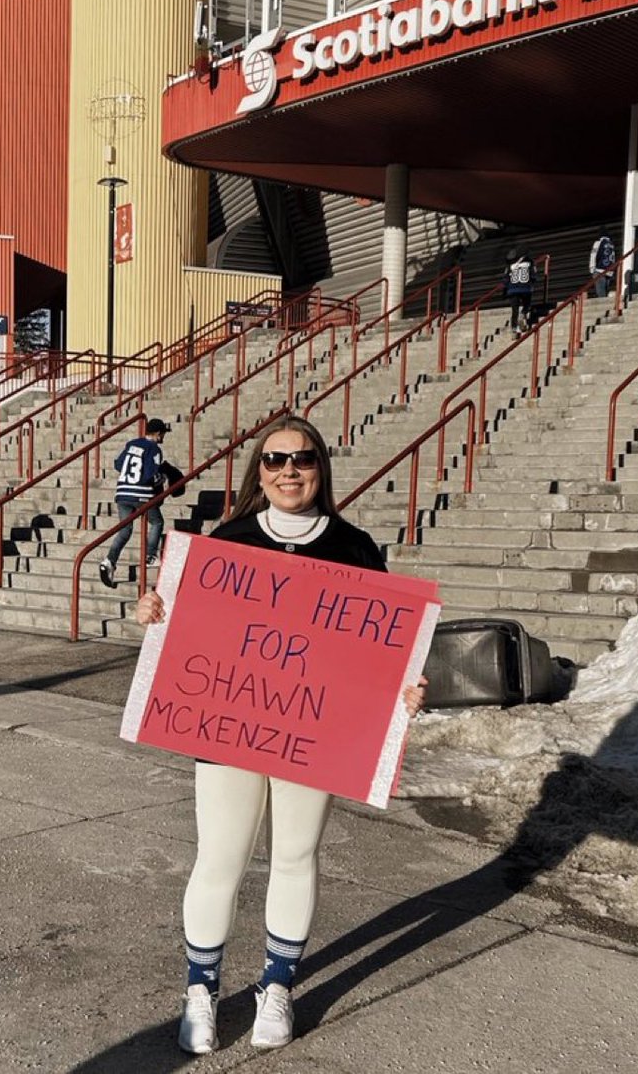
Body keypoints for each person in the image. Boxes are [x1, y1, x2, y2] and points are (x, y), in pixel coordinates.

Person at [135, 414, 426, 1055]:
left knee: (295, 857)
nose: (288, 471)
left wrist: (404, 688)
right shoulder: (228, 541)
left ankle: (277, 986)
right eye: (274, 460)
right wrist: (157, 613)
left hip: (314, 733)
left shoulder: (355, 549)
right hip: (230, 727)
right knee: (220, 859)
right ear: (257, 470)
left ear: (321, 467)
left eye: (302, 459)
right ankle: (201, 990)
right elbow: (193, 631)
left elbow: (381, 653)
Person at [99, 417, 174, 588]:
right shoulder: (154, 449)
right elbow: (150, 474)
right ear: (157, 434)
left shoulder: (131, 444)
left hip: (122, 491)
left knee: (125, 530)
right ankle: (150, 555)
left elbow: (118, 464)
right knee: (156, 522)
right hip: (141, 493)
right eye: (162, 434)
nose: (163, 437)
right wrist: (161, 478)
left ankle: (109, 561)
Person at [501, 248, 536, 334]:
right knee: (527, 303)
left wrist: (504, 291)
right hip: (525, 288)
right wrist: (532, 283)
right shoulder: (529, 262)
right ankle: (523, 312)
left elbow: (505, 279)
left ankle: (514, 328)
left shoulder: (510, 265)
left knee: (514, 310)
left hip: (512, 289)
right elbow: (533, 275)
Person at [589, 229, 616, 298]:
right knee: (605, 291)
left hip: (599, 270)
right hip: (609, 271)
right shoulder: (611, 244)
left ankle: (604, 307)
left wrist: (592, 269)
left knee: (600, 292)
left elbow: (593, 255)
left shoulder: (598, 243)